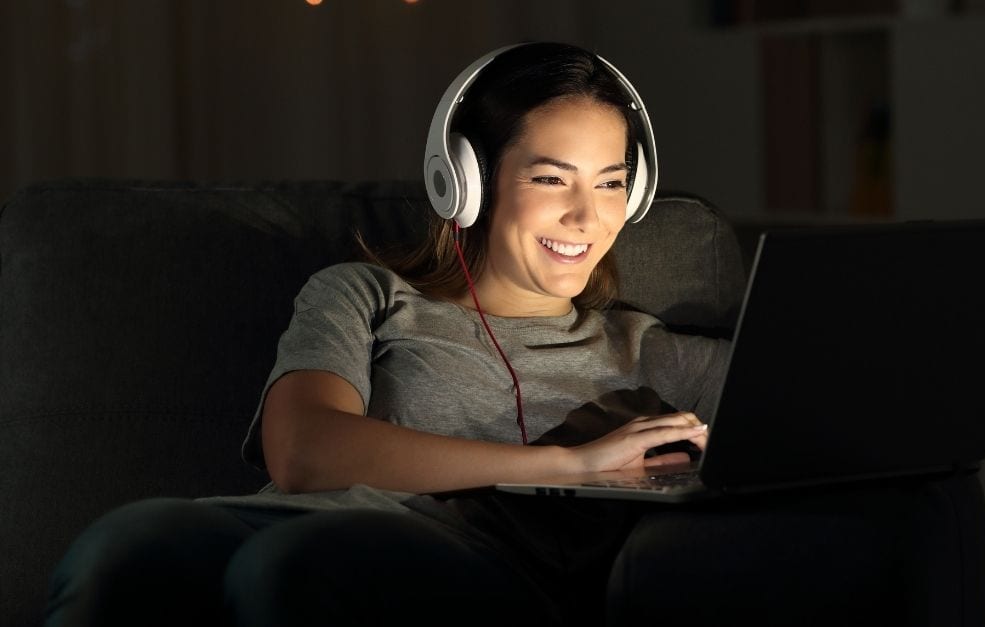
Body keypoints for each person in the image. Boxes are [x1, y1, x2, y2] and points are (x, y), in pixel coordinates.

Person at [42, 41, 730, 627]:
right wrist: (569, 466)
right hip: (277, 519)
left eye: (611, 183)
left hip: (457, 564)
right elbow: (305, 450)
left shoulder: (652, 350)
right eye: (551, 178)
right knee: (124, 546)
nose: (586, 215)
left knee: (292, 567)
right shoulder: (362, 294)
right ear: (470, 183)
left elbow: (809, 397)